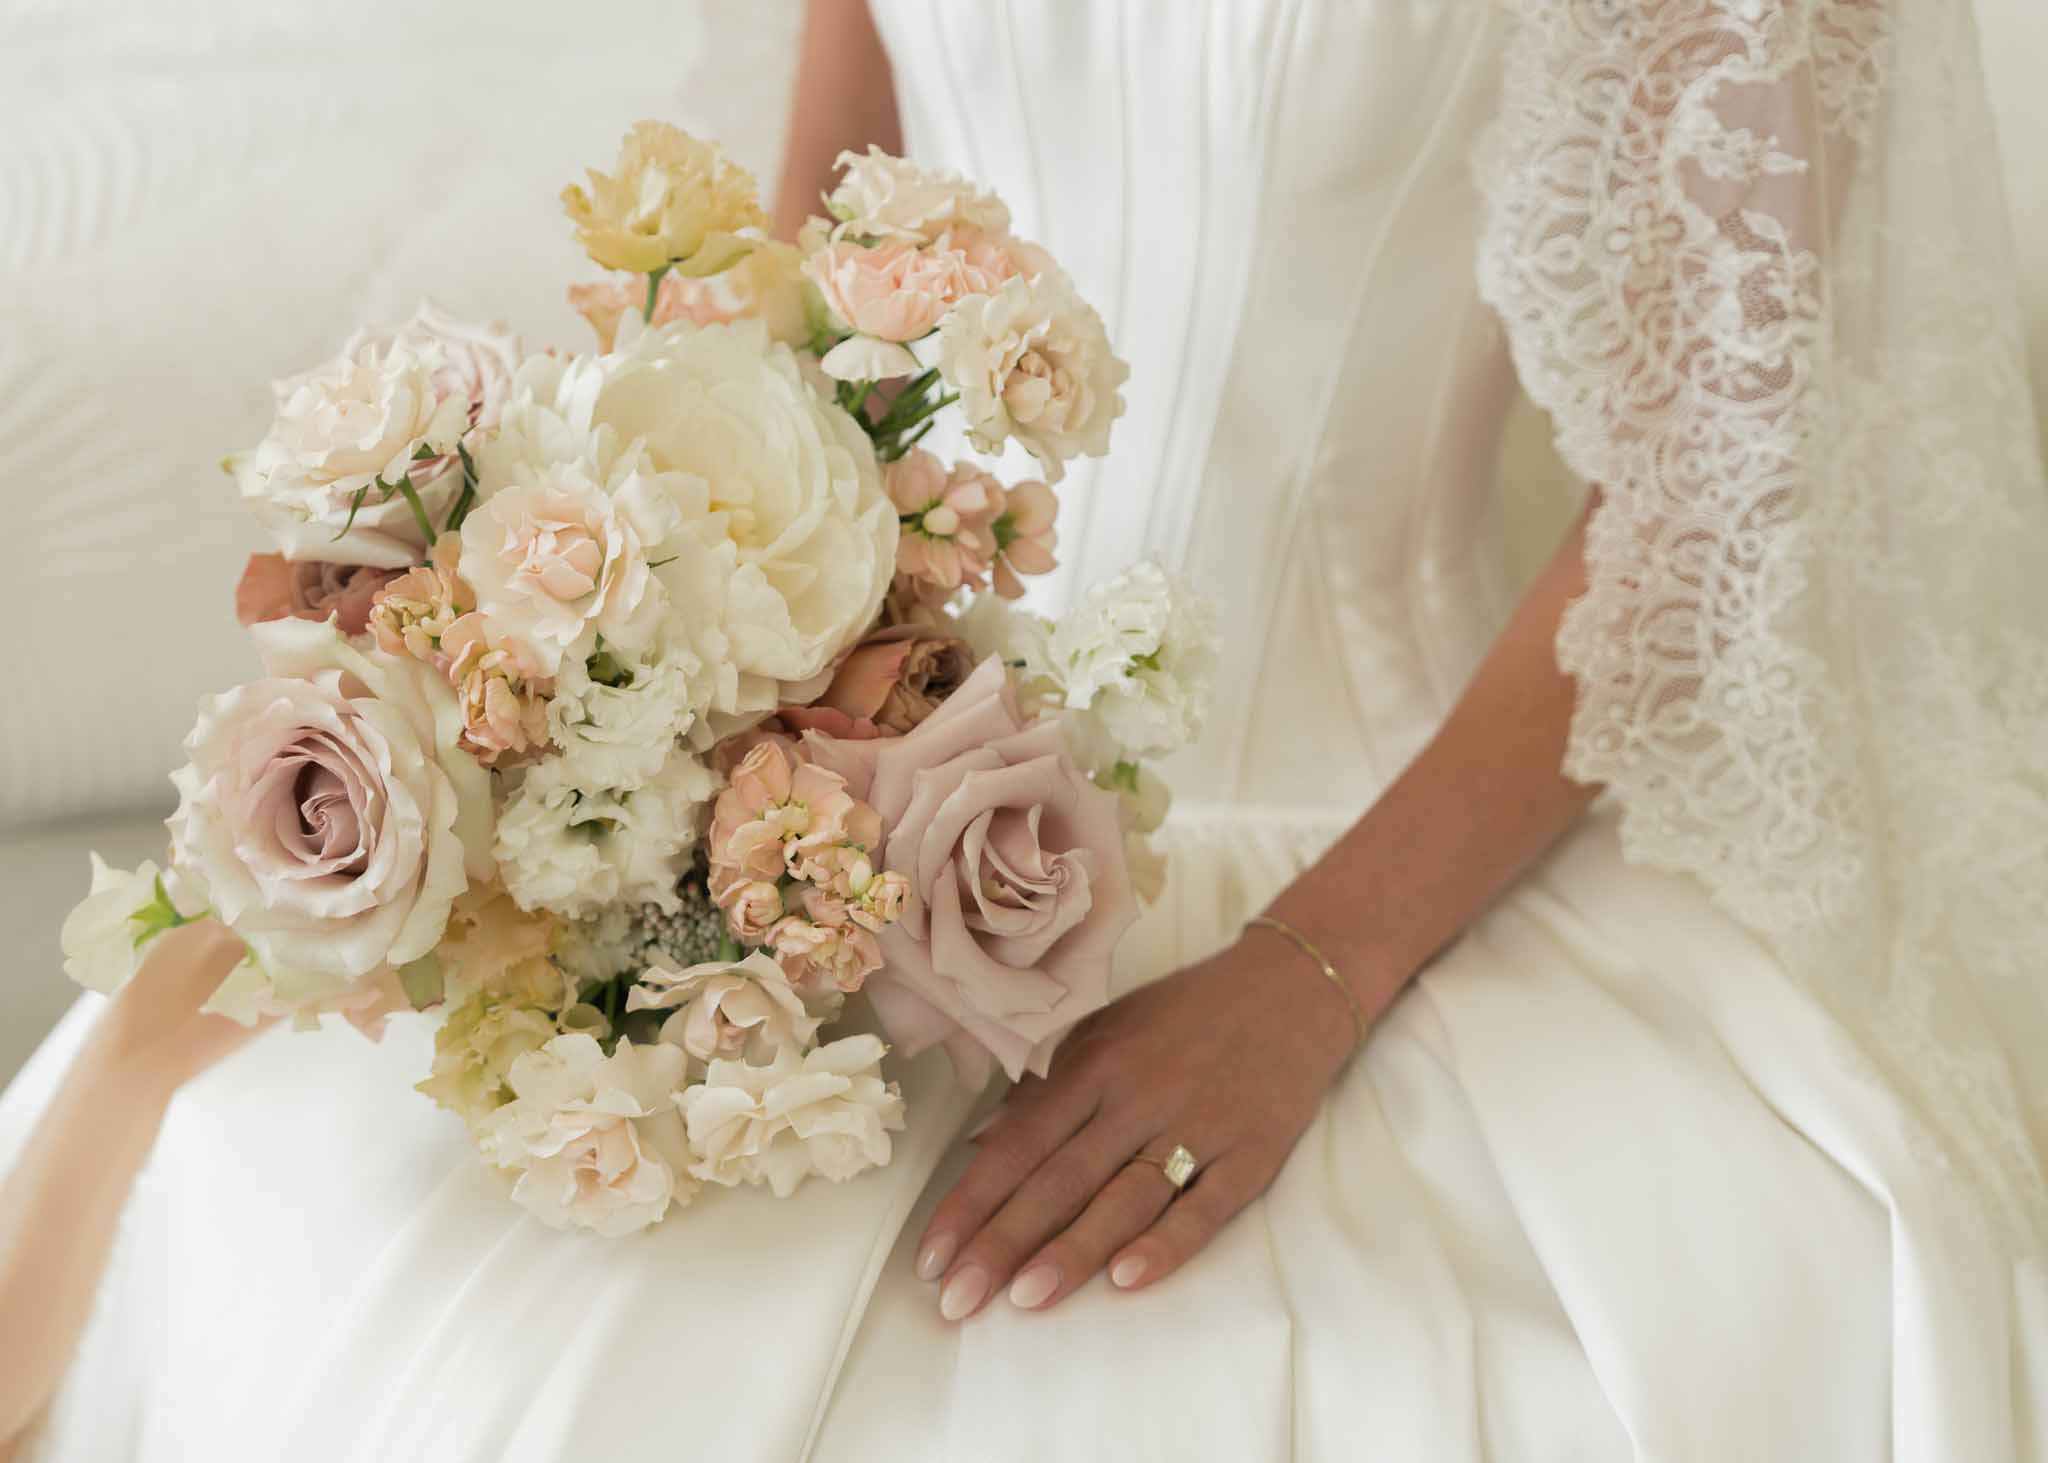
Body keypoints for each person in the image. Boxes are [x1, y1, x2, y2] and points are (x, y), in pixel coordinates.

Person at [4, 2, 2045, 1458]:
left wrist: (1303, 978)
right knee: (321, 1201)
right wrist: (620, 682)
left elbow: (1709, 500)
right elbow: (791, 284)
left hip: (1396, 839)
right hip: (862, 779)